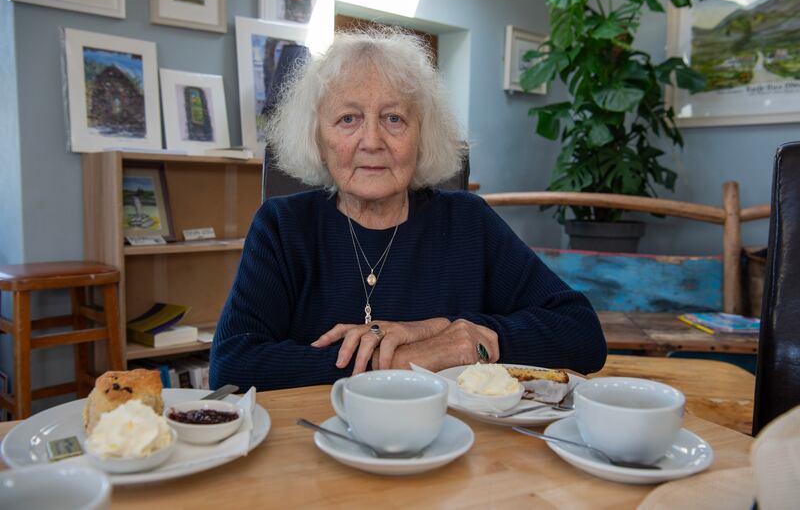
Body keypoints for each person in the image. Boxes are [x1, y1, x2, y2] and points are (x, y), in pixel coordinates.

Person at [210, 29, 606, 391]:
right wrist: (402, 361)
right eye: (348, 119)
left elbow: (582, 334)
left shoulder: (469, 222)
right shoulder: (282, 227)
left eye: (394, 118)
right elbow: (232, 366)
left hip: (455, 443)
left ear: (422, 134)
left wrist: (462, 336)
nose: (372, 140)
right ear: (318, 137)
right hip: (319, 441)